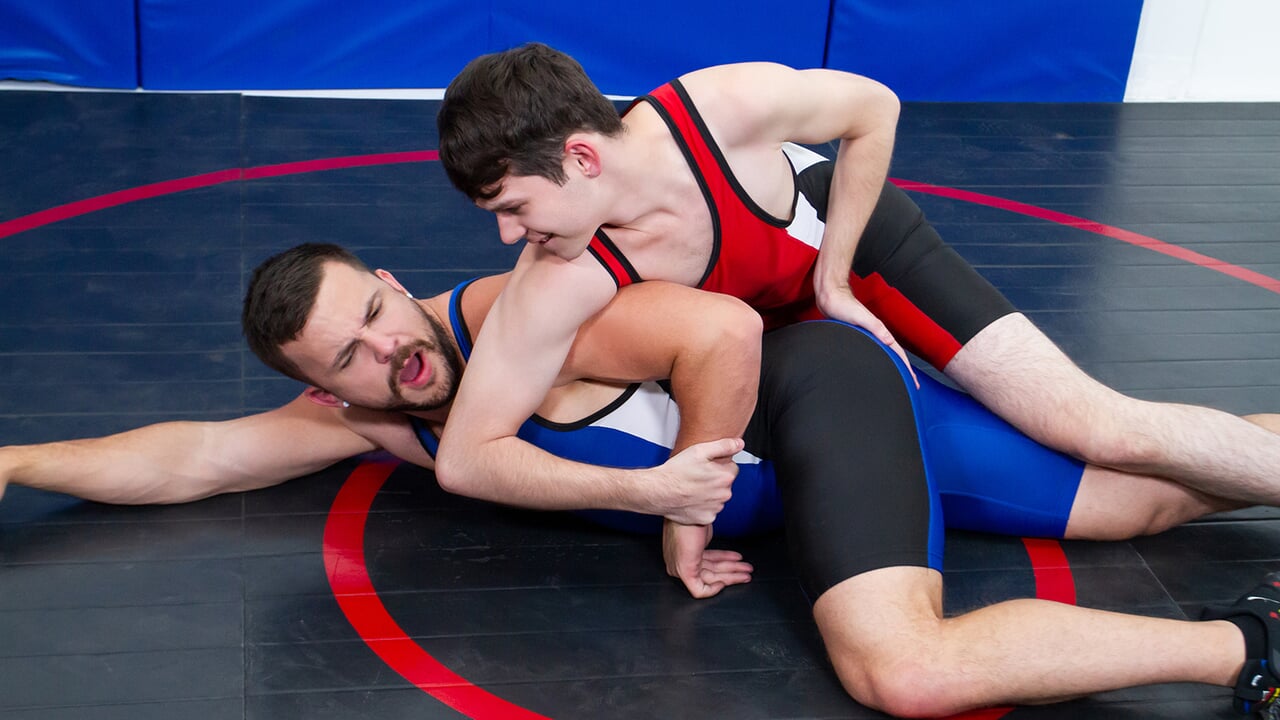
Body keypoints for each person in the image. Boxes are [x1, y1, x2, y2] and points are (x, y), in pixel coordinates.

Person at [3, 243, 1280, 718]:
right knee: (1150, 503)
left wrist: (683, 494)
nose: (392, 349)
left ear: (395, 278)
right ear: (329, 389)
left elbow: (722, 335)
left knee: (918, 655)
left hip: (810, 398)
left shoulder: (519, 312)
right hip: (801, 457)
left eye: (380, 311)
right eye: (350, 359)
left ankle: (1251, 651)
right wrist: (13, 461)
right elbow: (199, 456)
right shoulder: (376, 420)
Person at [431, 43, 1280, 591]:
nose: (509, 235)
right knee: (1104, 499)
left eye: (513, 205)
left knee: (1101, 429)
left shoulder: (720, 110)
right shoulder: (557, 274)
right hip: (796, 344)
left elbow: (875, 108)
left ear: (580, 155)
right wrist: (673, 509)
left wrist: (835, 278)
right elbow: (466, 461)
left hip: (859, 251)